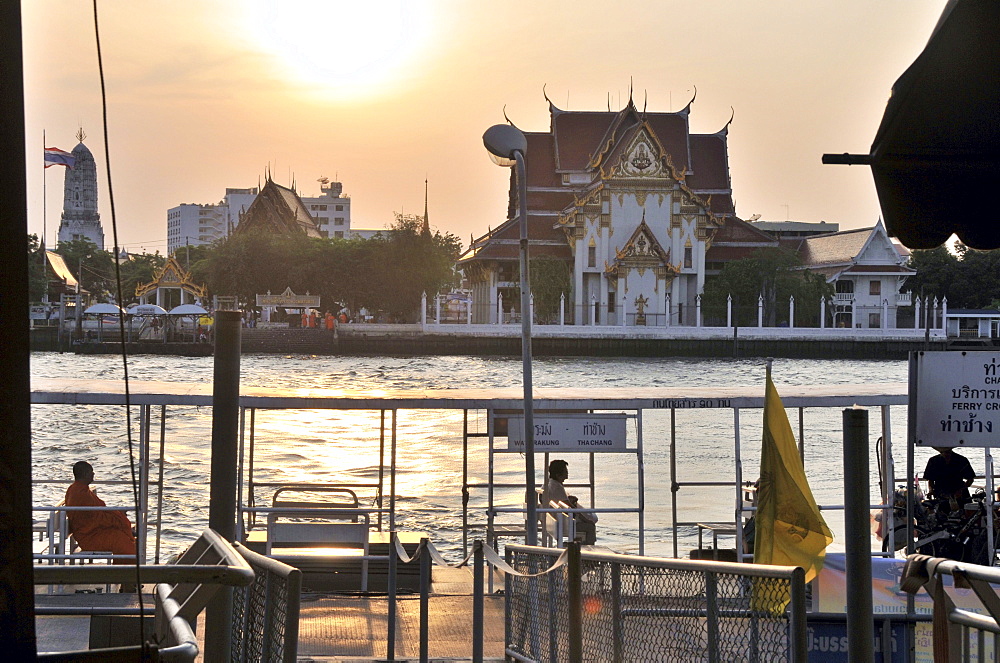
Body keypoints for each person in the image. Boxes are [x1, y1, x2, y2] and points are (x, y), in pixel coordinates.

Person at [64, 461, 137, 587]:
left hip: (93, 531)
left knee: (125, 538)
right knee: (122, 542)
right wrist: (118, 517)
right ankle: (126, 580)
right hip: (89, 537)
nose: (93, 474)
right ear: (86, 474)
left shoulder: (80, 489)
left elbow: (98, 513)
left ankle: (126, 578)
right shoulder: (79, 493)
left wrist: (117, 514)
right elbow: (96, 518)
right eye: (92, 472)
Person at [540, 459, 597, 544]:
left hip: (555, 519)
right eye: (565, 473)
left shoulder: (547, 484)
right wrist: (586, 520)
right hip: (563, 523)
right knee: (590, 527)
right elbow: (570, 509)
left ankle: (577, 545)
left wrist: (569, 500)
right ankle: (588, 553)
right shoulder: (557, 487)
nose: (566, 476)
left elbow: (563, 502)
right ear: (558, 475)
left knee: (588, 522)